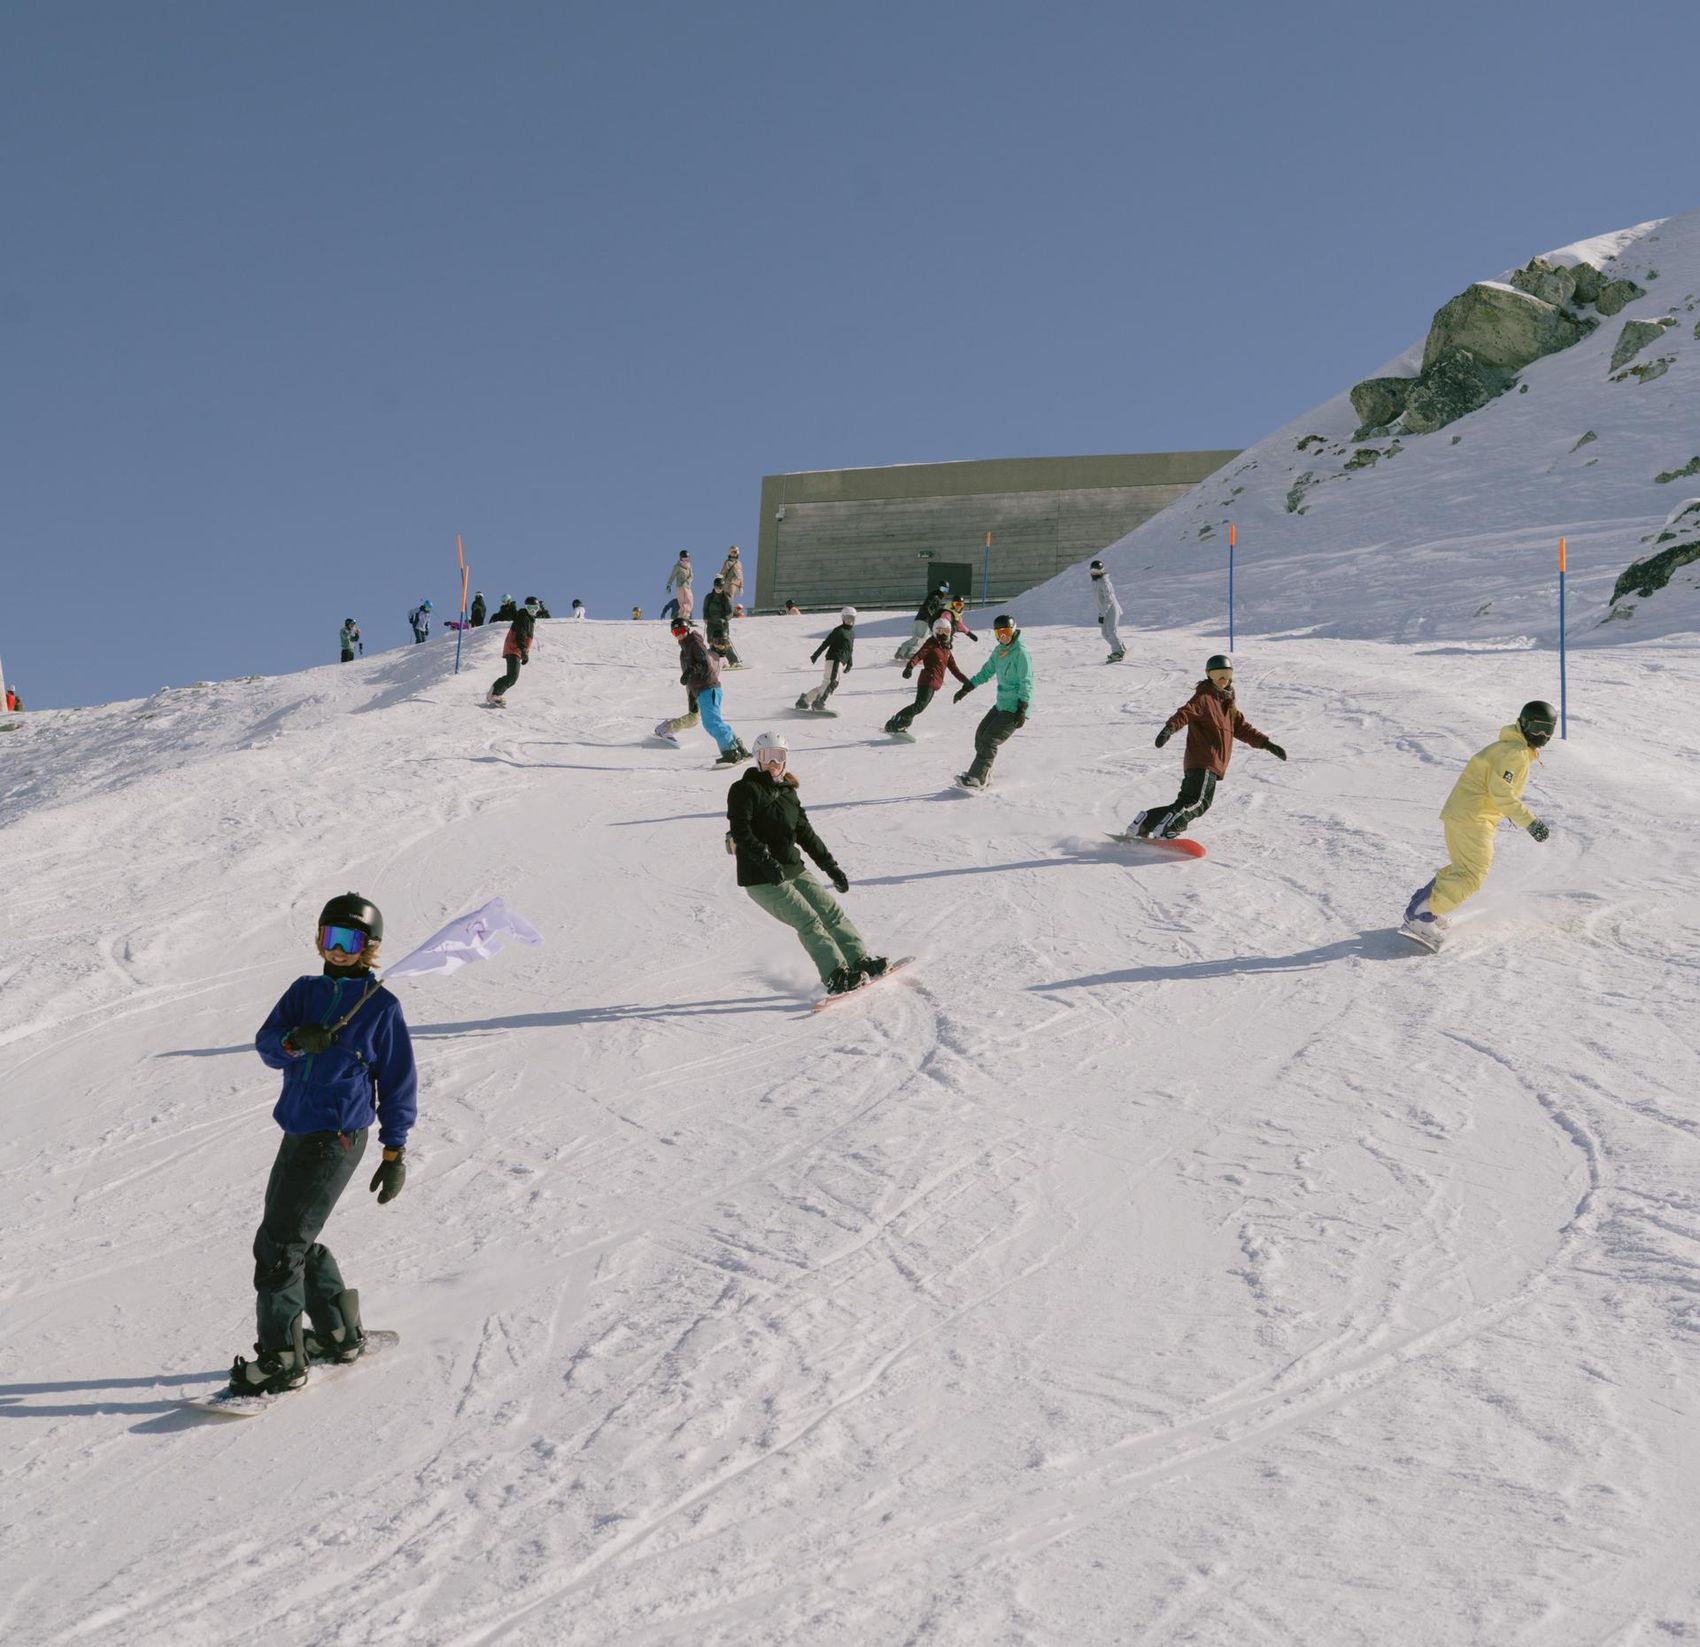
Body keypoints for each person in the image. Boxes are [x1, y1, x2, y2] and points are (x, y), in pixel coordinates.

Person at [236, 893, 415, 1395]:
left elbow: (398, 1083)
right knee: (289, 1237)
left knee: (279, 1248)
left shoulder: (381, 1006)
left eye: (349, 941)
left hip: (336, 1137)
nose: (338, 949)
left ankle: (282, 1360)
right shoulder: (303, 992)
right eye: (330, 937)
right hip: (297, 1130)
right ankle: (338, 1333)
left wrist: (394, 1151)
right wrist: (294, 1041)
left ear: (369, 947)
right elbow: (267, 1044)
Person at [728, 731, 889, 996]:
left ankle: (858, 960)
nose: (773, 762)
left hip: (793, 868)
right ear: (758, 758)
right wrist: (765, 861)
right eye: (768, 756)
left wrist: (830, 866)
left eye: (779, 756)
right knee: (809, 921)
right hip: (761, 876)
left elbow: (805, 833)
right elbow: (741, 831)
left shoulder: (788, 792)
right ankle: (835, 975)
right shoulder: (744, 789)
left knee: (831, 912)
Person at [1403, 701, 1555, 946]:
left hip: (1465, 814)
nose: (1542, 736)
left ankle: (1426, 907)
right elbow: (1501, 794)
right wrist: (1531, 822)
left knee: (1463, 868)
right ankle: (1422, 913)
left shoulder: (1510, 748)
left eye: (1548, 731)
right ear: (1525, 724)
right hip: (1474, 817)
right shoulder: (1514, 753)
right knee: (1473, 874)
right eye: (1538, 728)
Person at [1126, 654, 1286, 838]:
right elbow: (1185, 712)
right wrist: (1169, 728)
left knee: (1185, 802)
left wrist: (1267, 744)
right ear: (1209, 675)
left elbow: (1245, 729)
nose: (1223, 679)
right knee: (1200, 802)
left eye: (1227, 674)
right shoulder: (1204, 697)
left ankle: (1144, 823)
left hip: (1201, 764)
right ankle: (1170, 827)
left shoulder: (1228, 707)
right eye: (1218, 674)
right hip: (1205, 761)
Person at [951, 612, 1033, 789]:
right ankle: (984, 772)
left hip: (1015, 707)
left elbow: (1026, 682)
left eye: (1006, 632)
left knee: (989, 739)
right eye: (999, 633)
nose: (1003, 637)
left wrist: (1022, 708)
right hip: (1002, 704)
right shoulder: (999, 651)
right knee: (980, 735)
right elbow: (986, 672)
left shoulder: (1021, 653)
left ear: (1013, 630)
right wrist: (967, 687)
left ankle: (977, 778)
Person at [674, 618, 749, 764]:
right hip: (704, 690)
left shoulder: (695, 643)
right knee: (716, 722)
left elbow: (703, 664)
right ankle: (738, 748)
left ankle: (730, 753)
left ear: (687, 629)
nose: (679, 634)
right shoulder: (685, 651)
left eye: (682, 630)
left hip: (708, 688)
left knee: (711, 723)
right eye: (676, 632)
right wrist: (692, 697)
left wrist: (690, 671)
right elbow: (692, 679)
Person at [887, 614, 970, 736]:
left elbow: (955, 670)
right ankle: (899, 723)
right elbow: (919, 655)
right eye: (940, 631)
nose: (943, 634)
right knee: (919, 706)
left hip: (934, 683)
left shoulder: (946, 650)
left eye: (946, 631)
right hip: (927, 680)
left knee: (919, 706)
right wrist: (910, 667)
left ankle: (897, 722)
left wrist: (967, 682)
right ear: (935, 631)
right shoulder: (931, 644)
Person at [797, 607, 856, 712]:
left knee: (826, 684)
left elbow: (849, 649)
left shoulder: (851, 633)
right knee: (832, 683)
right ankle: (819, 703)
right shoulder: (839, 630)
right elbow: (826, 643)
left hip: (839, 661)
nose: (850, 621)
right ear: (843, 618)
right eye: (848, 618)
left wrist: (850, 663)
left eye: (852, 618)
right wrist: (816, 654)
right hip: (835, 659)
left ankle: (804, 700)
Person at [485, 596, 540, 707]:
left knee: (512, 676)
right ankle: (494, 694)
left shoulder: (529, 619)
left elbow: (525, 637)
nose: (532, 610)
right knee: (512, 676)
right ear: (526, 607)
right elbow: (521, 634)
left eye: (535, 608)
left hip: (516, 649)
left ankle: (494, 693)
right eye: (530, 607)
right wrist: (523, 650)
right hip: (513, 648)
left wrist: (525, 652)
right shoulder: (524, 617)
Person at [895, 583, 951, 662]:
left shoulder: (935, 596)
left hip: (919, 619)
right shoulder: (935, 596)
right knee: (921, 638)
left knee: (916, 638)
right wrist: (931, 617)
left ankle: (902, 651)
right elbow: (927, 607)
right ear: (939, 588)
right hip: (924, 620)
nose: (944, 591)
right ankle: (911, 653)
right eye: (942, 589)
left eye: (946, 590)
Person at [1090, 560, 1125, 663]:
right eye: (1093, 571)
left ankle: (1118, 652)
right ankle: (1120, 647)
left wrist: (1102, 613)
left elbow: (1109, 599)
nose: (1095, 573)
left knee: (1111, 631)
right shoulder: (1096, 582)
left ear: (1102, 571)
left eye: (1098, 571)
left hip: (1111, 609)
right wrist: (1101, 612)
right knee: (1105, 633)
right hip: (1105, 610)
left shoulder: (1104, 582)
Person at [703, 576, 742, 667]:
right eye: (717, 587)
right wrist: (705, 617)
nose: (718, 589)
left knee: (723, 642)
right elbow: (705, 609)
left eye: (720, 587)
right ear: (714, 586)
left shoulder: (726, 597)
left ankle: (734, 661)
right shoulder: (709, 597)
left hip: (722, 624)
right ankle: (717, 663)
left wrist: (724, 619)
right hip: (712, 623)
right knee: (713, 642)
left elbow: (730, 612)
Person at [663, 551, 694, 622]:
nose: (685, 561)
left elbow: (691, 576)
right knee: (683, 603)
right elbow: (672, 576)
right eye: (684, 559)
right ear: (680, 558)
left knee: (690, 602)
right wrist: (669, 585)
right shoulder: (677, 566)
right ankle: (684, 618)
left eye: (687, 559)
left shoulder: (689, 566)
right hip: (680, 587)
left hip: (687, 587)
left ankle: (679, 616)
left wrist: (688, 581)